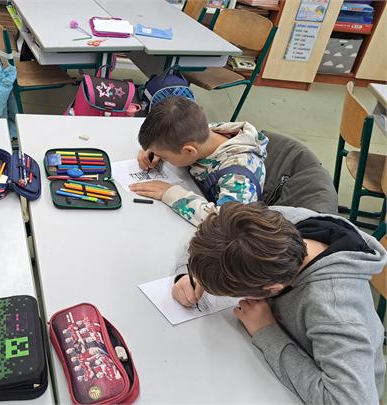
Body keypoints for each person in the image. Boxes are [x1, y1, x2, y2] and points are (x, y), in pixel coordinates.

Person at [177, 202, 386, 403]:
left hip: (332, 379)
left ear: (272, 289)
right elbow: (212, 233)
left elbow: (351, 401)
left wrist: (266, 331)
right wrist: (191, 274)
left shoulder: (335, 309)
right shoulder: (268, 226)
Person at [131, 96, 267, 226]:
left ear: (189, 151)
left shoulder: (238, 178)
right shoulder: (197, 131)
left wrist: (171, 194)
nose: (161, 158)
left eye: (165, 157)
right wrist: (155, 148)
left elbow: (224, 225)